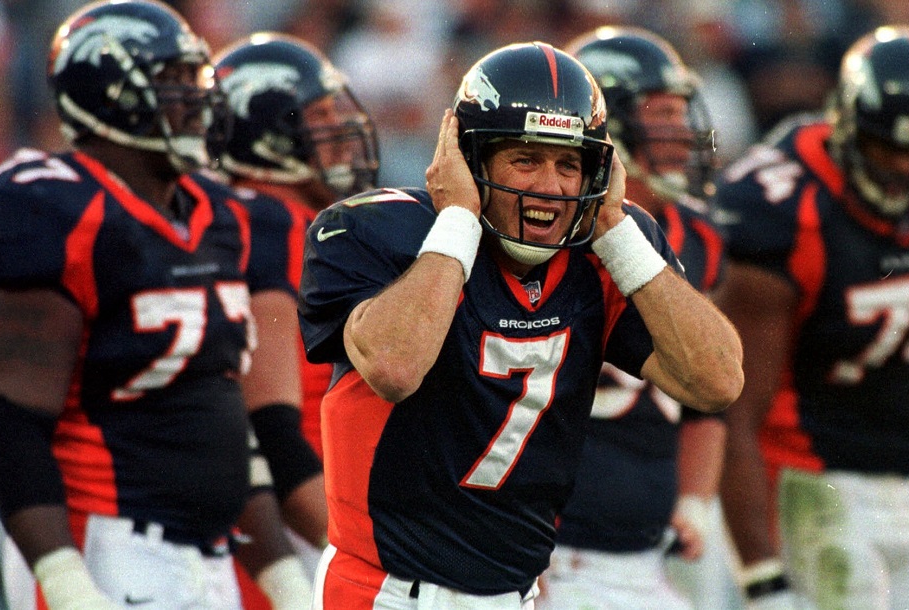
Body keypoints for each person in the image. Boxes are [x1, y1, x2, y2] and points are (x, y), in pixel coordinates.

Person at [297, 41, 744, 609]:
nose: (551, 188)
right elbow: (394, 366)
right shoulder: (375, 230)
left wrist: (619, 235)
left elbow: (718, 381)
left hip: (516, 594)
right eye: (525, 159)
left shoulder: (604, 249)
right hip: (387, 590)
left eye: (569, 163)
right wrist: (458, 220)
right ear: (470, 158)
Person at [0, 1, 302, 608]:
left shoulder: (220, 215)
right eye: (174, 81)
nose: (199, 99)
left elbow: (216, 414)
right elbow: (11, 423)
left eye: (196, 80)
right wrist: (66, 580)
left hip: (211, 555)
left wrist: (284, 577)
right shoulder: (57, 207)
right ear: (107, 93)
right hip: (103, 548)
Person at [713, 25, 909, 609]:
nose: (906, 169)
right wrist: (761, 574)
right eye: (890, 147)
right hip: (806, 485)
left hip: (905, 484)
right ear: (846, 125)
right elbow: (735, 412)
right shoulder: (787, 208)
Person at [536, 26, 733, 610]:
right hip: (559, 554)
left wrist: (695, 500)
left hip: (652, 553)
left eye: (682, 114)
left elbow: (711, 394)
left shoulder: (698, 234)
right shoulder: (550, 234)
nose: (681, 133)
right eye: (661, 114)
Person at [208, 31, 380, 607]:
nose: (342, 136)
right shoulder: (275, 221)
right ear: (267, 134)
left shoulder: (230, 216)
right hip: (294, 522)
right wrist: (365, 552)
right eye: (321, 118)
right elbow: (273, 427)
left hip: (263, 520)